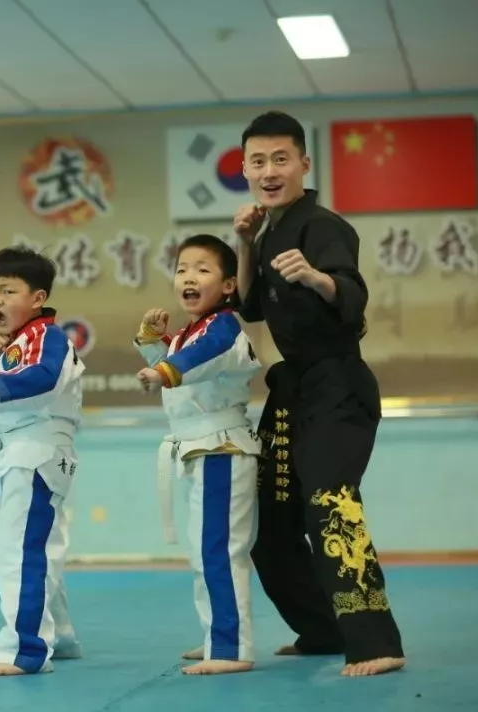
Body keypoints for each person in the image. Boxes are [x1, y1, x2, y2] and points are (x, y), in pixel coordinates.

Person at [234, 110, 405, 677]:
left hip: (338, 383)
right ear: (244, 168)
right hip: (293, 391)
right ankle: (323, 630)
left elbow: (350, 291)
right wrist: (244, 242)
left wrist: (313, 276)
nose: (269, 170)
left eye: (281, 159)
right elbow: (251, 305)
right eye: (257, 161)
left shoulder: (324, 225)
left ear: (304, 163)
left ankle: (376, 641)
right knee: (268, 520)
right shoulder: (267, 229)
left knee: (330, 502)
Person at [134, 235, 262, 675]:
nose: (189, 276)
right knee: (204, 552)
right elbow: (181, 363)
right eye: (183, 268)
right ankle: (216, 634)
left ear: (228, 285)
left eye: (202, 269)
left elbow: (194, 361)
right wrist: (153, 342)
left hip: (221, 449)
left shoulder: (223, 327)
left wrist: (164, 368)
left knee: (220, 552)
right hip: (201, 450)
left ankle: (229, 647)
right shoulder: (193, 332)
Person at [0, 246, 83, 677]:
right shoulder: (12, 342)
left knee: (18, 552)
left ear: (37, 298)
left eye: (8, 290)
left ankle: (23, 650)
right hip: (21, 451)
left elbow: (42, 377)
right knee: (43, 547)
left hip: (35, 451)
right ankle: (59, 636)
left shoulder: (49, 338)